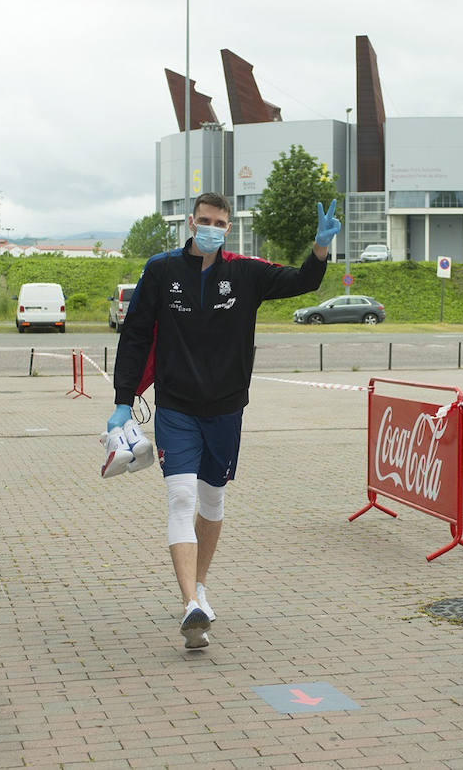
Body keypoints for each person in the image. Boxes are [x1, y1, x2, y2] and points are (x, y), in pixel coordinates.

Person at [108, 191, 339, 648]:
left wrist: (320, 248)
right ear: (191, 223)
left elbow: (303, 282)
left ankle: (202, 587)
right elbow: (135, 336)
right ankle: (190, 603)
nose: (211, 227)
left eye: (220, 222)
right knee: (180, 497)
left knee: (211, 503)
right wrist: (122, 399)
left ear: (228, 227)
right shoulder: (161, 270)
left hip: (226, 409)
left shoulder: (245, 273)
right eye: (204, 220)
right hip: (175, 407)